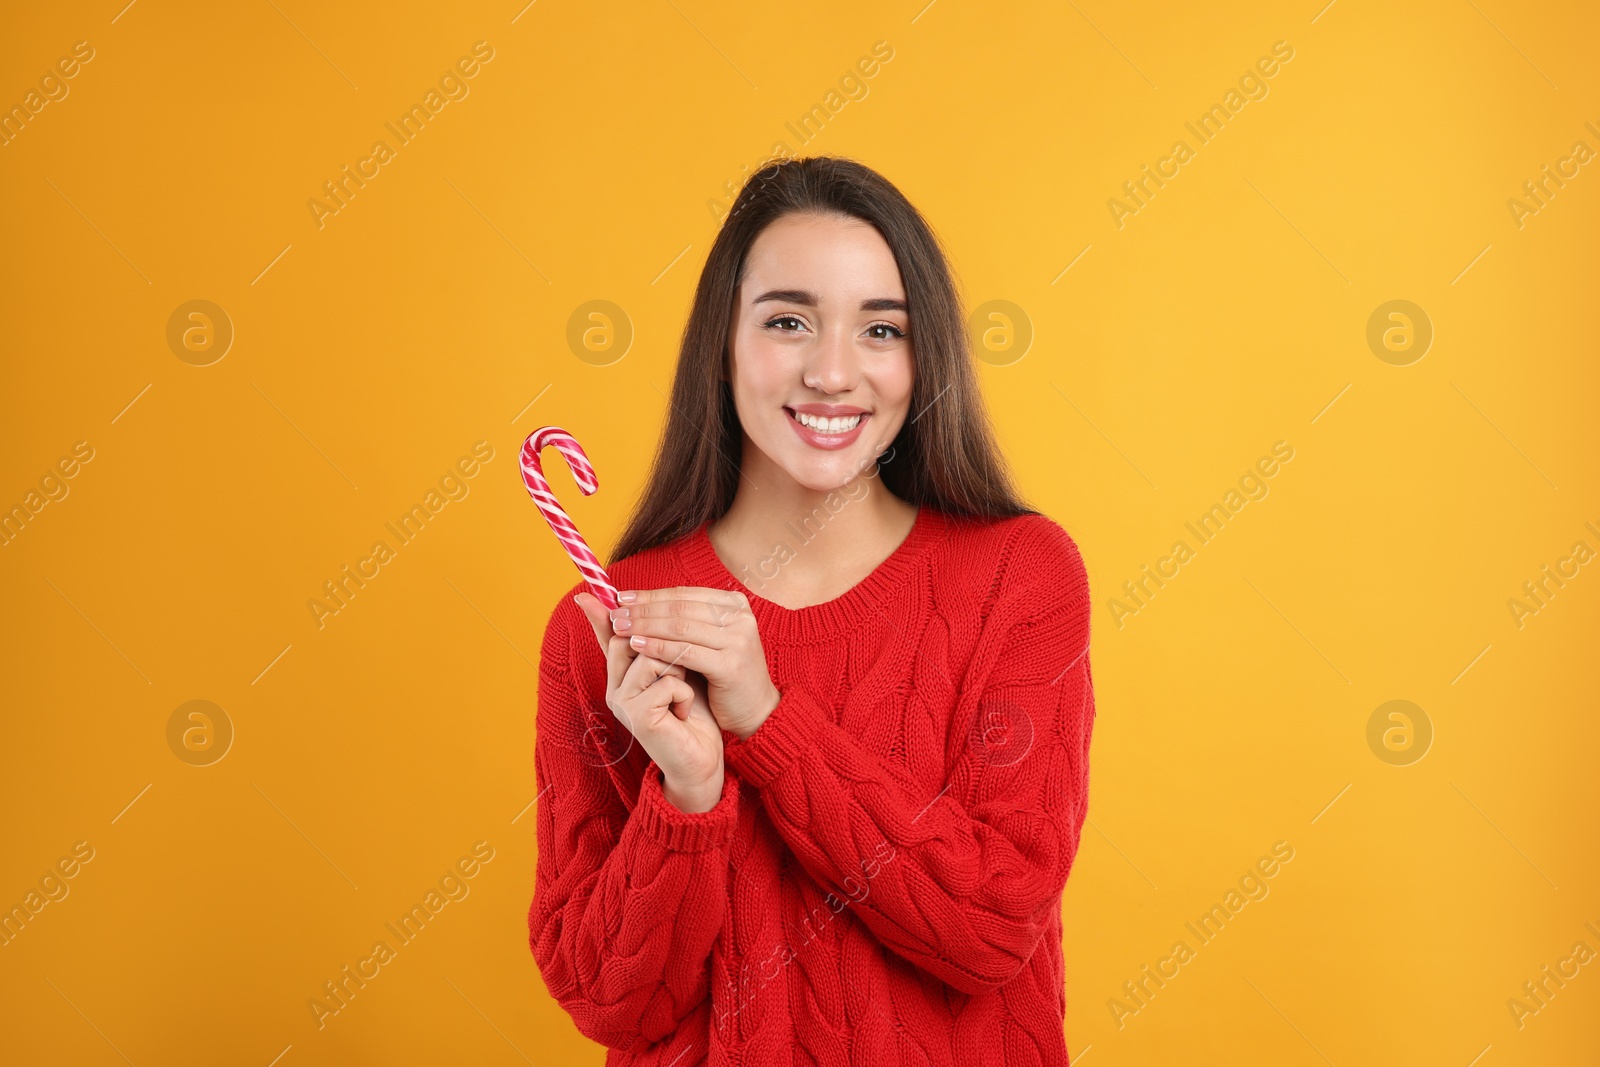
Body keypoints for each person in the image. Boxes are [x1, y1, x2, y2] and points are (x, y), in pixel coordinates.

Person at [529, 155, 1095, 1065]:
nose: (833, 372)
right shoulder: (610, 628)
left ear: (924, 357)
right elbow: (609, 1001)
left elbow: (992, 924)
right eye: (788, 321)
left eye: (881, 329)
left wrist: (766, 721)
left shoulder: (1019, 579)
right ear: (723, 343)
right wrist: (687, 796)